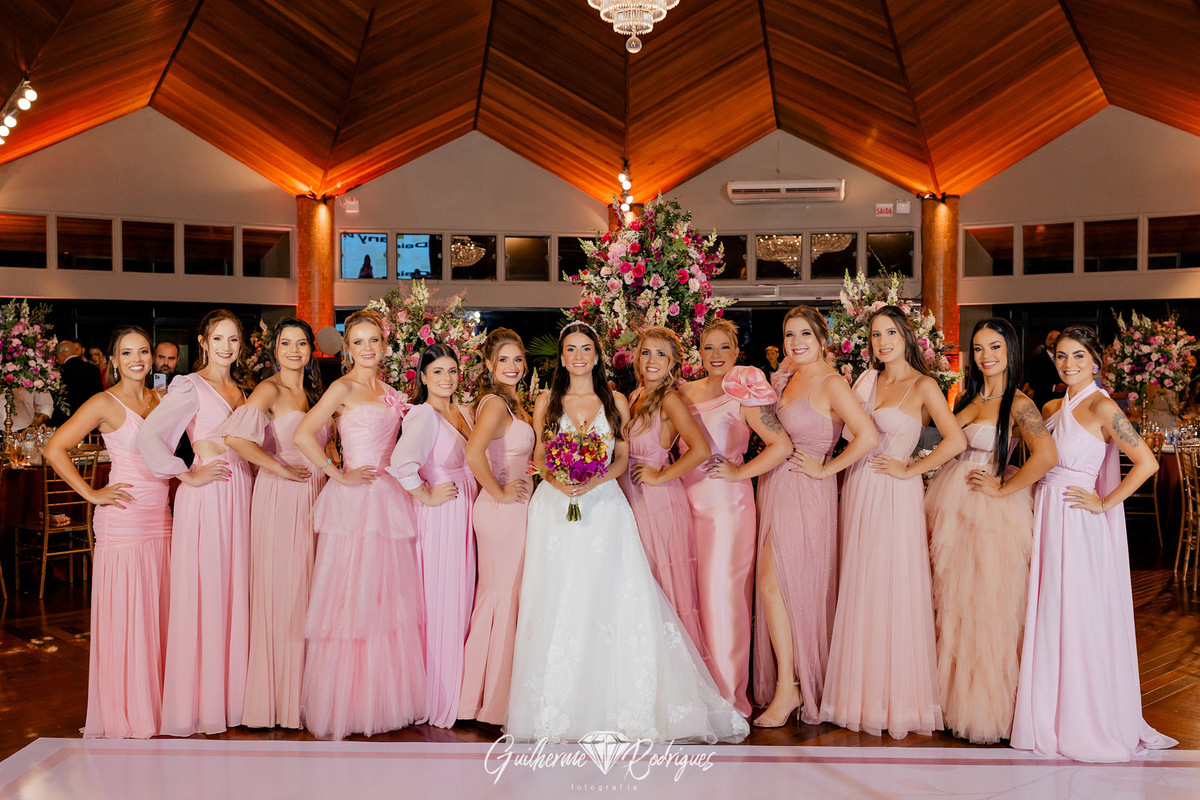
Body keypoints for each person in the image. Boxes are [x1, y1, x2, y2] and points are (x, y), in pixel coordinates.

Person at [506, 321, 748, 744]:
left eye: (586, 348)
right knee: (557, 596)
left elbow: (620, 458)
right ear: (561, 357)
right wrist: (557, 479)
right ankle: (557, 704)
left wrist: (593, 481)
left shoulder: (615, 399)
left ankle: (614, 701)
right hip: (554, 507)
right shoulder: (546, 400)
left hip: (603, 504)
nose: (578, 356)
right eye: (570, 349)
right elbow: (541, 454)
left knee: (608, 596)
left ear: (597, 355)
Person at [1012, 325, 1178, 762]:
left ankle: (1085, 718)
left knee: (1078, 612)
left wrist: (1104, 502)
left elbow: (1146, 462)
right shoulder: (1050, 406)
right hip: (1045, 512)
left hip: (1077, 518)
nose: (1069, 364)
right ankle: (1047, 715)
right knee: (1049, 608)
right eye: (1062, 356)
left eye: (1078, 356)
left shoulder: (1104, 406)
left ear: (1096, 361)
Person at [819, 306, 966, 738]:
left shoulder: (924, 385)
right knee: (861, 581)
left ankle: (898, 700)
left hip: (896, 491)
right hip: (859, 486)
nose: (883, 342)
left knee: (892, 584)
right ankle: (857, 696)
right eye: (876, 335)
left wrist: (910, 468)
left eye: (890, 334)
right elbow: (847, 436)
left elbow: (955, 440)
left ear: (906, 337)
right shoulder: (866, 380)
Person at [294, 309, 425, 739]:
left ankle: (383, 699)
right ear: (347, 348)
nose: (367, 348)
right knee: (350, 596)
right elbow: (303, 434)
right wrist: (337, 473)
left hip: (389, 498)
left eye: (374, 341)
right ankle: (346, 704)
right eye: (359, 342)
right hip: (354, 500)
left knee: (387, 598)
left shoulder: (393, 392)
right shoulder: (342, 387)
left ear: (384, 345)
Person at [924, 318, 1057, 744]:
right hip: (952, 507)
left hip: (991, 512)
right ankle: (951, 702)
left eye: (995, 347)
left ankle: (985, 710)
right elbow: (944, 438)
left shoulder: (1019, 403)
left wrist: (1003, 488)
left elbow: (1046, 455)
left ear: (1010, 351)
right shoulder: (971, 396)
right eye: (979, 348)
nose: (986, 356)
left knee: (989, 606)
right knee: (954, 604)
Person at [752, 307, 877, 727]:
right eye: (790, 334)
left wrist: (826, 470)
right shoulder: (788, 377)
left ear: (822, 339)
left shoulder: (831, 382)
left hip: (806, 488)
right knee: (777, 587)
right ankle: (790, 683)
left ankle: (790, 688)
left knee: (776, 585)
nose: (796, 342)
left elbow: (867, 436)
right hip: (776, 484)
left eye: (805, 334)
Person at [43, 326, 171, 738]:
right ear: (113, 360)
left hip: (162, 517)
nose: (137, 359)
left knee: (158, 613)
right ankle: (128, 710)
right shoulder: (104, 402)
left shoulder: (161, 399)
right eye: (127, 353)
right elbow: (53, 448)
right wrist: (91, 493)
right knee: (129, 614)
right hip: (124, 518)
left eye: (144, 351)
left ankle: (160, 704)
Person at [136, 309, 253, 735]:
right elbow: (149, 435)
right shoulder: (189, 385)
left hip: (242, 491)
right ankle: (203, 702)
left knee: (235, 588)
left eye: (233, 339)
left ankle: (235, 698)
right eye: (218, 338)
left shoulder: (242, 389)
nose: (226, 347)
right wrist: (185, 473)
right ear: (203, 342)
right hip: (208, 494)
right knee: (208, 590)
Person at [677, 320, 792, 716]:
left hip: (728, 509)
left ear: (736, 351)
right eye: (708, 348)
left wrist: (740, 472)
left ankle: (727, 700)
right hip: (684, 504)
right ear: (698, 351)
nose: (716, 355)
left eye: (724, 347)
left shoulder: (743, 395)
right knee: (691, 598)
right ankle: (695, 694)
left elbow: (781, 445)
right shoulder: (684, 392)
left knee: (722, 598)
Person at [223, 319, 329, 729]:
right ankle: (278, 700)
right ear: (275, 350)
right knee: (285, 590)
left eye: (301, 343)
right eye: (286, 343)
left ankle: (306, 693)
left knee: (310, 589)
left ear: (311, 350)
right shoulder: (269, 389)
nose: (294, 350)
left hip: (316, 493)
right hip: (281, 495)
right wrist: (278, 467)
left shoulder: (315, 391)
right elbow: (235, 438)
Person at [389, 343, 478, 728]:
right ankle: (436, 696)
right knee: (442, 600)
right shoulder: (423, 414)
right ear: (423, 377)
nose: (447, 378)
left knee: (461, 598)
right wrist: (425, 493)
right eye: (438, 371)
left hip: (465, 510)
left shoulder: (462, 411)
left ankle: (457, 690)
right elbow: (400, 463)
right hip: (442, 514)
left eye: (452, 371)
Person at [618, 326, 712, 652]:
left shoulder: (669, 399)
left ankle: (673, 667)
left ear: (672, 363)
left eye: (661, 354)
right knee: (639, 586)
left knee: (661, 587)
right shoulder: (635, 397)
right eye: (646, 352)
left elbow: (701, 449)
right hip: (631, 499)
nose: (652, 360)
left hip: (657, 501)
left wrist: (660, 476)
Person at [460, 329, 534, 725]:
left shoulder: (513, 403)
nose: (512, 366)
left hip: (512, 510)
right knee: (502, 597)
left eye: (517, 359)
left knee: (505, 596)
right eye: (503, 359)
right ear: (488, 364)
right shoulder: (494, 404)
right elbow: (474, 453)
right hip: (502, 511)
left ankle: (487, 696)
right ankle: (490, 703)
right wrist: (500, 491)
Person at [52, 338, 104, 425]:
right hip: (90, 421)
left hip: (65, 422)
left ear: (60, 355)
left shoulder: (59, 372)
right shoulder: (93, 369)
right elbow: (99, 396)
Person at [1024, 329, 1062, 405]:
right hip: (1043, 402)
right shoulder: (1037, 359)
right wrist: (1054, 387)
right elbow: (1033, 383)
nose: (1053, 342)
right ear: (1046, 341)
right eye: (1051, 339)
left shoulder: (1066, 359)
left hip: (1063, 402)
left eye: (1056, 339)